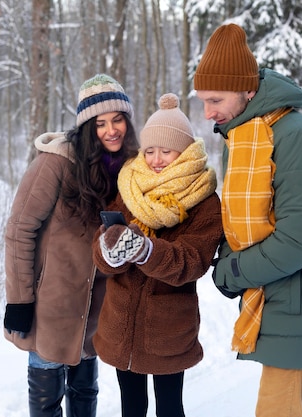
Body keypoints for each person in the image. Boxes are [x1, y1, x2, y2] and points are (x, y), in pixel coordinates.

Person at [194, 23, 302, 417]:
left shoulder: (296, 138)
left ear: (249, 91)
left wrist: (233, 272)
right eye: (202, 101)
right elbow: (242, 219)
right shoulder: (247, 137)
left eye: (215, 99)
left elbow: (299, 241)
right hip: (280, 303)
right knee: (298, 409)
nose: (208, 112)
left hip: (299, 304)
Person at [3, 74, 138, 417]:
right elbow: (20, 230)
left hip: (98, 308)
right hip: (53, 305)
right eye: (101, 123)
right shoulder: (57, 162)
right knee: (47, 400)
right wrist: (19, 301)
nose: (111, 130)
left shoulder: (131, 170)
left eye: (118, 120)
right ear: (87, 129)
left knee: (85, 393)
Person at [92, 93, 223, 417]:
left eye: (166, 150)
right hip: (120, 324)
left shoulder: (204, 200)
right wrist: (109, 249)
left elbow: (192, 260)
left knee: (169, 408)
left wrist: (146, 250)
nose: (156, 159)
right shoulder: (131, 185)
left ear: (184, 152)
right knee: (131, 407)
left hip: (167, 328)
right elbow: (100, 249)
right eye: (150, 150)